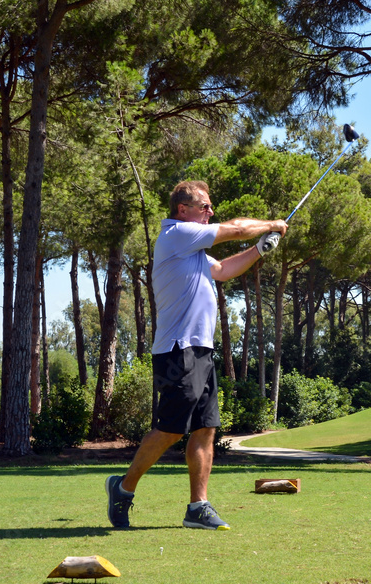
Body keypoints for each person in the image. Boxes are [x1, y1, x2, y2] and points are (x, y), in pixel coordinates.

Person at [105, 180, 287, 530]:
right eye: (204, 206)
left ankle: (197, 508)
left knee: (205, 428)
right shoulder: (176, 235)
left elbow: (223, 271)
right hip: (177, 349)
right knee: (171, 429)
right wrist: (272, 224)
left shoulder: (195, 253)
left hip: (201, 348)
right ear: (183, 210)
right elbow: (234, 230)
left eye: (210, 207)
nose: (210, 211)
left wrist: (260, 250)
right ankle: (123, 488)